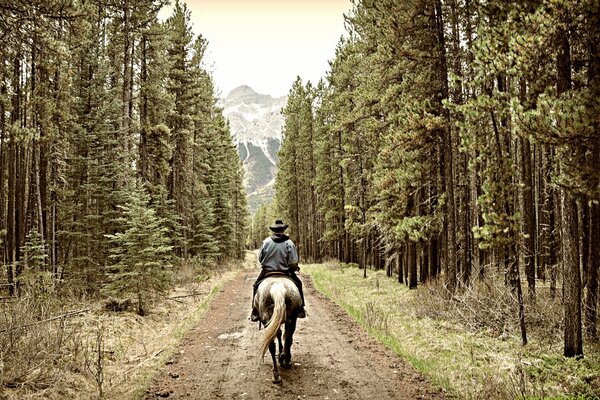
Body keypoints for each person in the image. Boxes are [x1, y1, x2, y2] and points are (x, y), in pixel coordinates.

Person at [250, 219, 306, 322]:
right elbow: (293, 261)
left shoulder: (266, 242)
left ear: (274, 230)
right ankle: (301, 309)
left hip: (267, 272)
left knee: (256, 285)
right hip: (285, 272)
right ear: (283, 230)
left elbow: (260, 258)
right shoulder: (289, 243)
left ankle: (255, 311)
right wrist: (293, 267)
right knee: (298, 284)